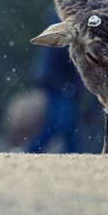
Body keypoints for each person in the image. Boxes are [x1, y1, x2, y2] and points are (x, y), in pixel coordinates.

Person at [26, 9, 83, 153]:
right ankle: (31, 151)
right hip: (59, 82)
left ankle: (32, 151)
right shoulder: (64, 17)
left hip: (58, 80)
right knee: (60, 123)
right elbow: (61, 53)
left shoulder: (61, 14)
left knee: (65, 124)